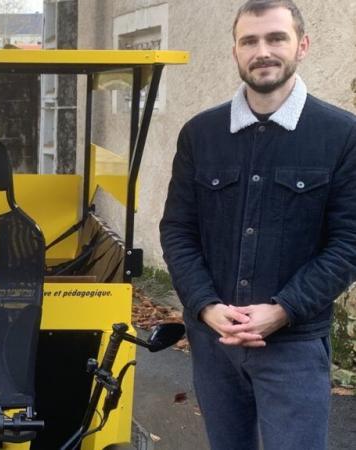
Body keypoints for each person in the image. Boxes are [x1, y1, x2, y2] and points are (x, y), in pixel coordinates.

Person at [159, 1, 356, 449]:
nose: (262, 51)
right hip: (214, 343)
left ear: (302, 46)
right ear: (235, 52)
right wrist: (207, 307)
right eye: (249, 40)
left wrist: (282, 309)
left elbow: (348, 242)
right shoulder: (200, 135)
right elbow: (178, 231)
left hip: (295, 346)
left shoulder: (342, 135)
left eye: (276, 38)